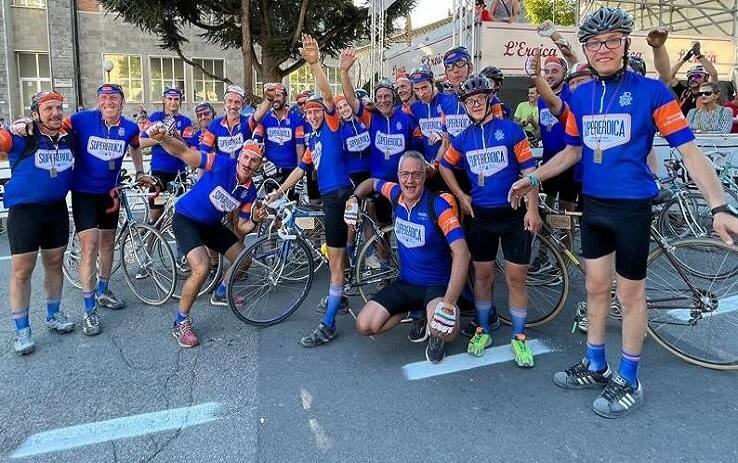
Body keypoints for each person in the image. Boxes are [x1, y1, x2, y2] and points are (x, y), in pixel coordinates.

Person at [509, 6, 738, 418]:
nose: (602, 49)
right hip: (594, 205)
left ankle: (629, 377)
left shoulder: (652, 93)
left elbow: (690, 152)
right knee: (596, 288)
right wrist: (535, 178)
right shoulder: (580, 96)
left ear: (625, 44)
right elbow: (572, 152)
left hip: (632, 208)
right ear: (585, 49)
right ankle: (595, 363)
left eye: (611, 40)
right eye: (594, 43)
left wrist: (718, 206)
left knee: (629, 296)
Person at [439, 74, 541, 367]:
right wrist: (461, 196)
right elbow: (444, 166)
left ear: (489, 99)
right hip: (481, 217)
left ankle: (519, 336)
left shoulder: (511, 130)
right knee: (483, 277)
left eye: (480, 99)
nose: (475, 104)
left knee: (516, 279)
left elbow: (530, 173)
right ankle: (483, 329)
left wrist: (533, 210)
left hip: (513, 215)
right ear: (465, 105)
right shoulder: (463, 138)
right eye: (470, 101)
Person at [268, 35, 355, 348]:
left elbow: (328, 96)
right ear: (305, 117)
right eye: (310, 113)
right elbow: (300, 169)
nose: (315, 115)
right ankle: (341, 298)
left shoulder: (331, 126)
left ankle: (328, 323)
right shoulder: (314, 139)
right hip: (331, 198)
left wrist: (315, 63)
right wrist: (279, 192)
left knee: (335, 263)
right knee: (336, 256)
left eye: (318, 111)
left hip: (340, 195)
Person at [148, 126, 268, 348]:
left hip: (210, 225)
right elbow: (184, 152)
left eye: (254, 160)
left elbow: (242, 228)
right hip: (186, 219)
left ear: (258, 165)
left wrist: (256, 219)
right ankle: (180, 322)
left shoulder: (250, 192)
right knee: (201, 268)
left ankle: (221, 292)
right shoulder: (221, 163)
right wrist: (163, 138)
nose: (248, 163)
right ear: (239, 156)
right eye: (246, 157)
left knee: (244, 259)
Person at [351, 151, 470, 363]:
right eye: (405, 174)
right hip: (406, 283)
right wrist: (353, 199)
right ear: (398, 175)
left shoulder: (438, 206)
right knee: (364, 325)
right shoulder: (395, 193)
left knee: (445, 330)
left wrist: (449, 304)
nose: (410, 180)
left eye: (416, 174)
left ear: (424, 176)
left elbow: (462, 254)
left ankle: (438, 322)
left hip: (435, 287)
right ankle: (416, 312)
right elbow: (371, 182)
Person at [1, 92, 75, 354]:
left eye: (58, 107)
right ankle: (22, 330)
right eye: (48, 108)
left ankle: (53, 314)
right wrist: (14, 125)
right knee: (22, 270)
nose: (55, 113)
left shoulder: (68, 136)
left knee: (55, 263)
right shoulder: (23, 135)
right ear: (36, 114)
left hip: (56, 209)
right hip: (25, 212)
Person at [339, 48, 422, 226]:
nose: (383, 100)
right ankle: (382, 245)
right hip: (379, 184)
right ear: (375, 99)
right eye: (379, 97)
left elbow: (416, 152)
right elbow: (351, 99)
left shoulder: (407, 119)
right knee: (384, 226)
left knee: (405, 224)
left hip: (404, 183)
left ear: (394, 97)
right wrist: (344, 72)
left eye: (387, 96)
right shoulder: (371, 118)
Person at [139, 88, 193, 225]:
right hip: (159, 173)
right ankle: (151, 238)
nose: (172, 102)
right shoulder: (155, 117)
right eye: (169, 99)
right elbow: (140, 142)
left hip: (178, 174)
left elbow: (187, 148)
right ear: (164, 100)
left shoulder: (185, 121)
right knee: (157, 216)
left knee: (180, 215)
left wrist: (174, 134)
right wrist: (161, 138)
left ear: (180, 101)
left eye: (176, 99)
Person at [250, 83, 306, 189]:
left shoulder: (296, 118)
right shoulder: (264, 118)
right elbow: (256, 142)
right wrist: (261, 164)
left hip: (291, 170)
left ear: (285, 97)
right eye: (273, 96)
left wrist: (300, 172)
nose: (275, 99)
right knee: (269, 199)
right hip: (270, 170)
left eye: (278, 95)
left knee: (290, 199)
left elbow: (300, 146)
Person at [199, 85, 261, 158]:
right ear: (224, 103)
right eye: (230, 101)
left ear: (242, 105)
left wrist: (269, 99)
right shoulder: (215, 124)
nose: (233, 106)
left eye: (237, 102)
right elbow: (204, 151)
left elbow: (260, 113)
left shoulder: (248, 122)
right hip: (221, 165)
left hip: (243, 164)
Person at [669, 41, 720, 116]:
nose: (692, 78)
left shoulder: (709, 93)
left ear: (706, 78)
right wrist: (684, 59)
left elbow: (714, 74)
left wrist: (699, 56)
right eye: (690, 77)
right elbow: (670, 77)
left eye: (697, 76)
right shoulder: (685, 92)